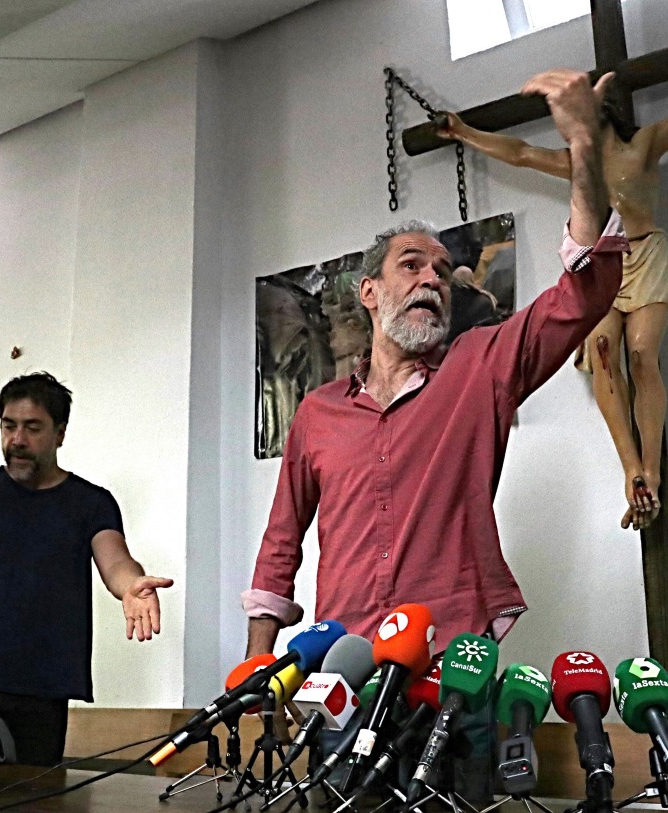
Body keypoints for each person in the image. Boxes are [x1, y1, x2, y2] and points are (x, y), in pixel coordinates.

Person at [243, 69, 626, 796]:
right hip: (343, 679)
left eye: (444, 273)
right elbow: (280, 544)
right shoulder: (318, 412)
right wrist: (261, 668)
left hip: (455, 679)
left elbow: (585, 294)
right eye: (411, 265)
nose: (433, 279)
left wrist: (581, 143)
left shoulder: (480, 367)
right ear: (370, 292)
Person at [438, 1, 668, 530]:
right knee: (600, 349)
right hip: (599, 264)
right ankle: (631, 468)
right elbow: (521, 153)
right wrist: (464, 133)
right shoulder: (576, 163)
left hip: (646, 257)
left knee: (642, 356)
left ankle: (653, 473)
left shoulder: (644, 146)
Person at [0, 372, 173, 766]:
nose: (17, 440)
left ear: (60, 433)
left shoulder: (91, 502)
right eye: (9, 426)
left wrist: (132, 585)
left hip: (44, 690)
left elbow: (116, 560)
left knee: (36, 799)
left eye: (32, 428)